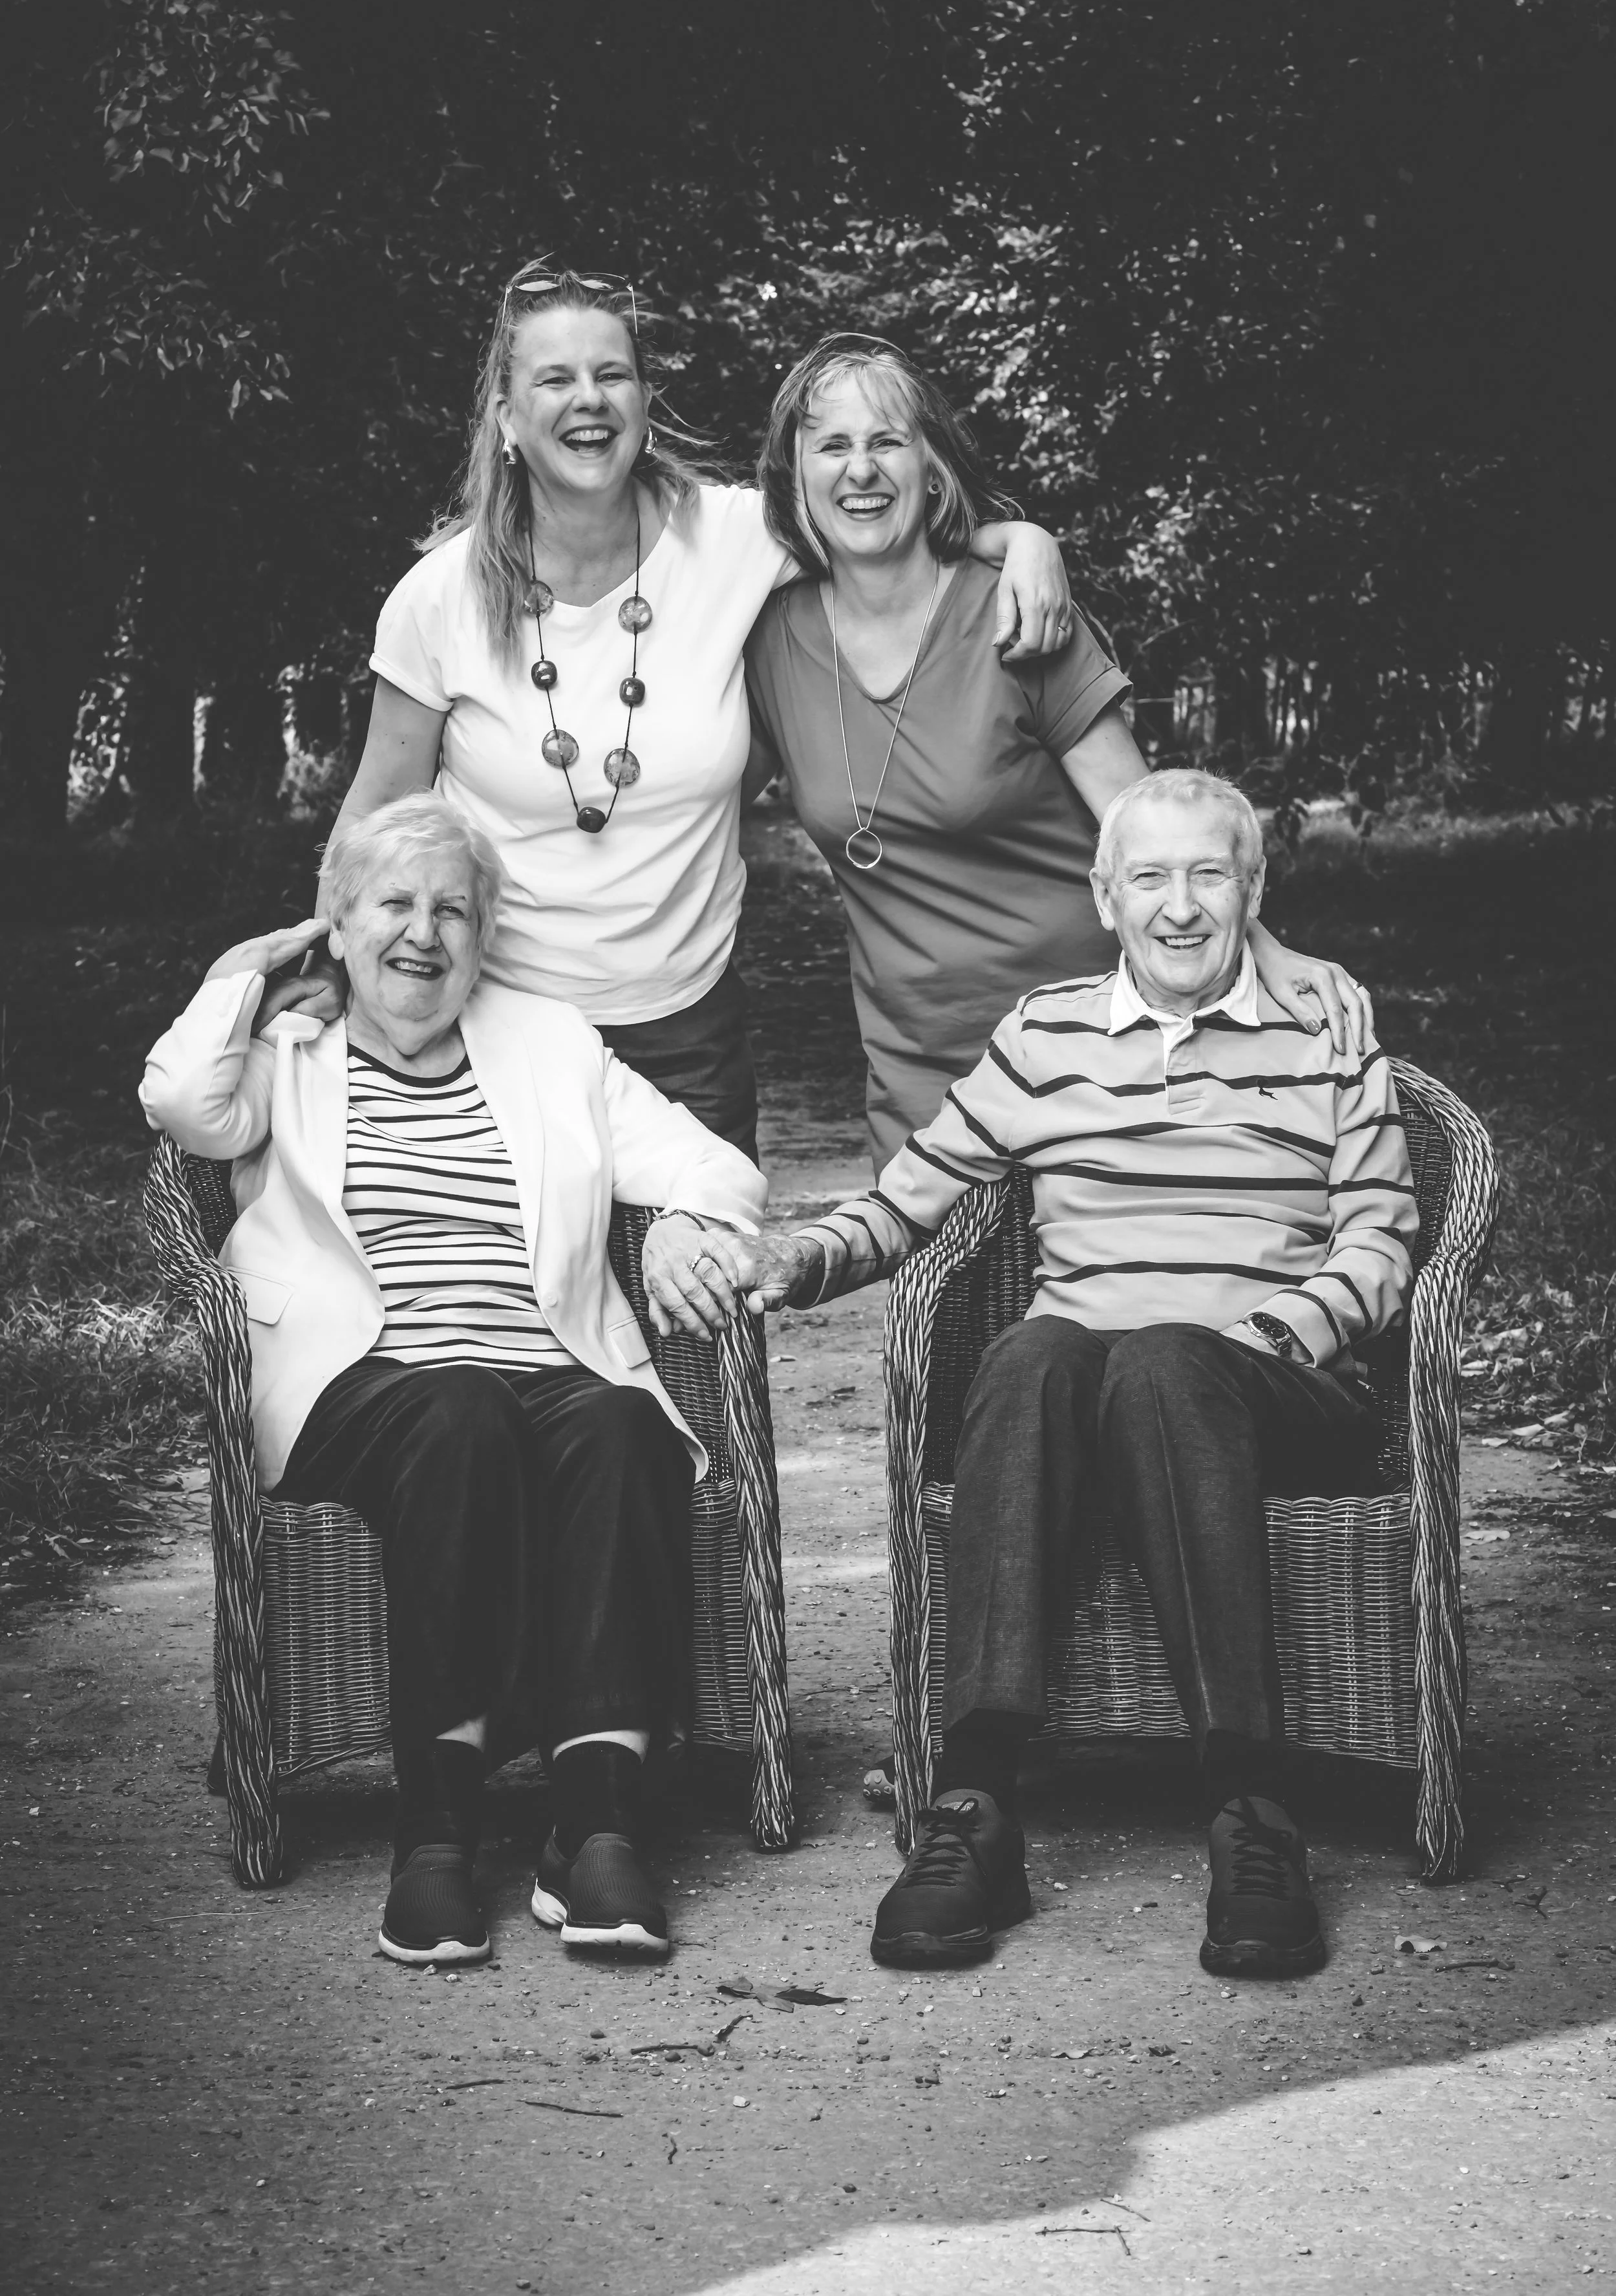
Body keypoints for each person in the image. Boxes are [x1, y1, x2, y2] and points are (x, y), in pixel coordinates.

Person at [722, 769, 1418, 1977]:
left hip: (1272, 1387)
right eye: (1150, 877)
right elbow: (911, 1197)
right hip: (1088, 1381)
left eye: (1210, 873)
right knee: (1033, 1351)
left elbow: (1382, 1239)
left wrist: (1278, 1335)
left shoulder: (1332, 1033)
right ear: (1106, 897)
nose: (1182, 906)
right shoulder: (1045, 1034)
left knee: (1161, 1366)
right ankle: (977, 1810)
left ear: (1254, 889)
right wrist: (802, 1256)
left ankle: (1253, 1816)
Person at [140, 795, 765, 1969]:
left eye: (453, 912)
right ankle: (437, 1832)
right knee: (462, 1410)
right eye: (394, 905)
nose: (423, 935)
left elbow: (715, 1166)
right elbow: (179, 1103)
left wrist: (683, 1219)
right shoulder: (283, 1054)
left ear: (484, 937)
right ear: (339, 921)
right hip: (360, 1388)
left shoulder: (551, 1045)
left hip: (548, 1368)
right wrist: (256, 970)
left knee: (630, 1426)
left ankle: (601, 1821)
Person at [299, 271, 1076, 1160]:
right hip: (494, 1028)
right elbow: (374, 818)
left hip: (688, 1036)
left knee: (701, 1294)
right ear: (507, 421)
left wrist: (1020, 542)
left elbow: (880, 531)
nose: (589, 400)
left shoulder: (738, 537)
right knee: (526, 1300)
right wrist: (328, 982)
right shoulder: (439, 598)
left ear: (643, 403)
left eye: (613, 375)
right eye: (555, 380)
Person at [743, 337, 1374, 1170]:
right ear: (795, 477)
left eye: (886, 440)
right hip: (921, 1080)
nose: (860, 469)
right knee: (941, 1301)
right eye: (832, 445)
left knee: (1121, 1294)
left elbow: (1155, 827)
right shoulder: (772, 640)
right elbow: (692, 803)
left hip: (1098, 1050)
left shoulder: (1018, 615)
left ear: (931, 467)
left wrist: (1269, 954)